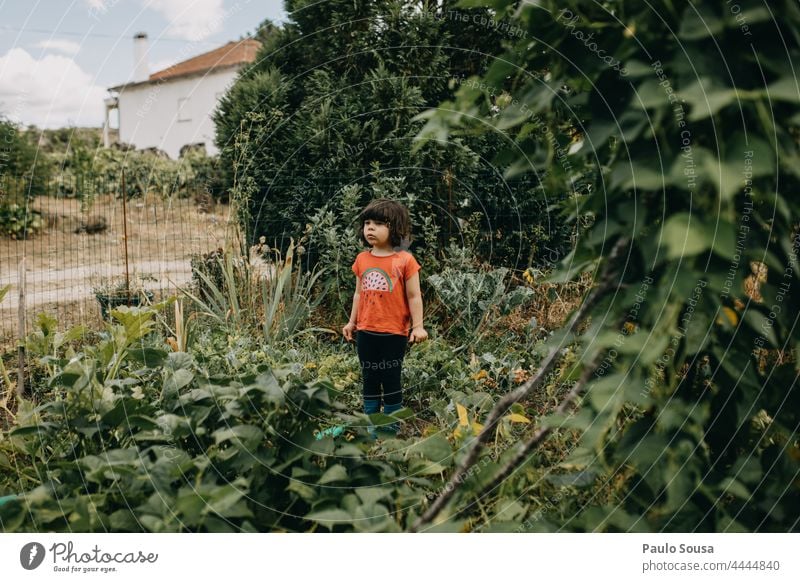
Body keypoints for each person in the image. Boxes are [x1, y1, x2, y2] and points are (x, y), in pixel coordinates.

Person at [342, 198, 428, 437]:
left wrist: (418, 326)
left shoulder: (405, 261)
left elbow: (414, 297)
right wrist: (352, 322)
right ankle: (371, 427)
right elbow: (359, 294)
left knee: (390, 379)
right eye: (367, 223)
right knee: (369, 378)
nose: (370, 228)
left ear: (395, 228)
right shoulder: (362, 259)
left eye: (378, 223)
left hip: (394, 333)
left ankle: (389, 430)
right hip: (366, 331)